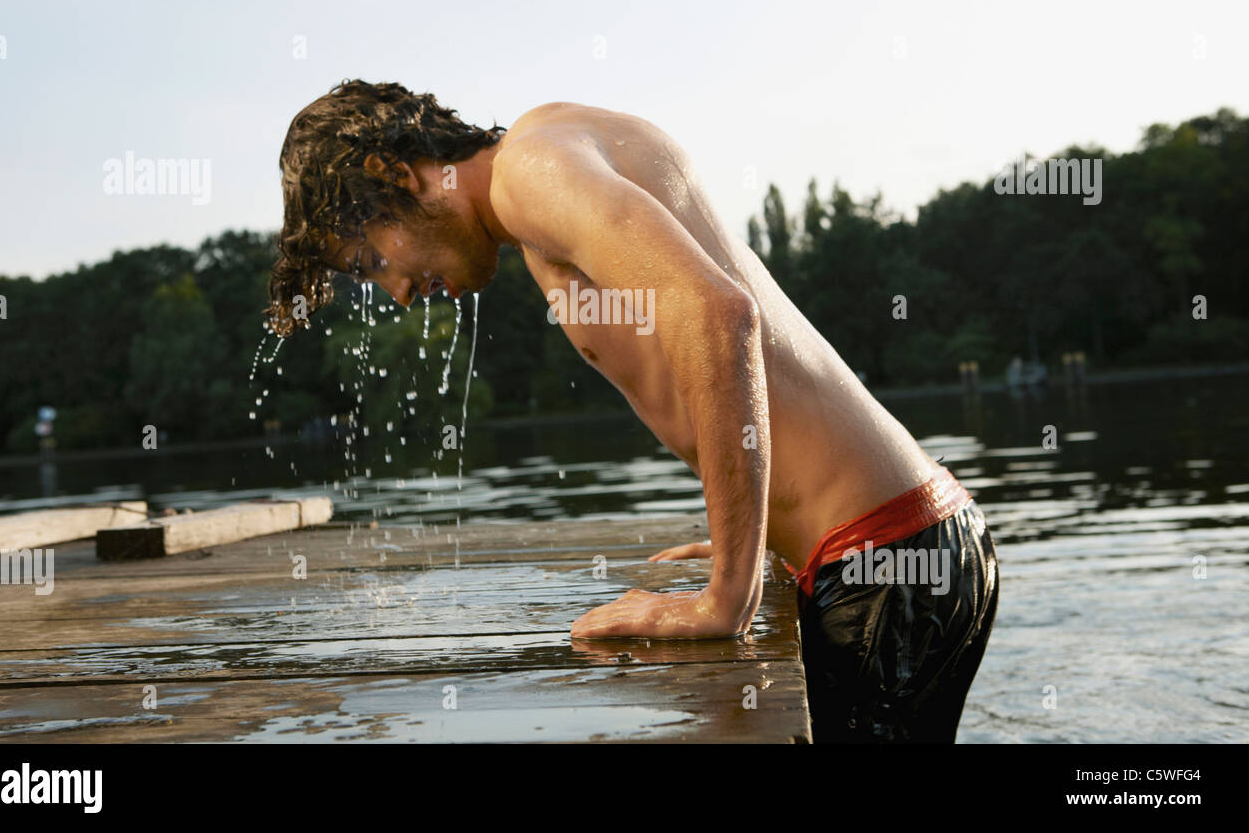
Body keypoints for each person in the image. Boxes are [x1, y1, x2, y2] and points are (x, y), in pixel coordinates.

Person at [265, 80, 999, 742]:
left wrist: (725, 598)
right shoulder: (563, 138)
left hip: (879, 562)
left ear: (392, 174)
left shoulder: (531, 172)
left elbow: (718, 316)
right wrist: (751, 526)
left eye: (370, 260)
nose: (393, 290)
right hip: (918, 539)